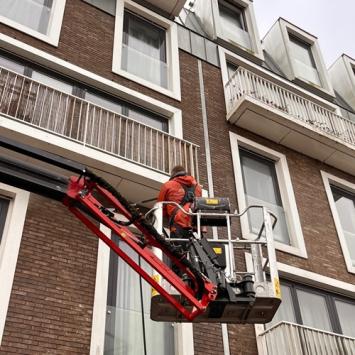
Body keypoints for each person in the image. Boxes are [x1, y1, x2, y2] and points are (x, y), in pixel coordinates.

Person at [157, 165, 202, 238]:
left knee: (177, 247)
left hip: (178, 223)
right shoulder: (198, 187)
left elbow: (160, 208)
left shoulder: (168, 185)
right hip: (196, 224)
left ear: (173, 174)